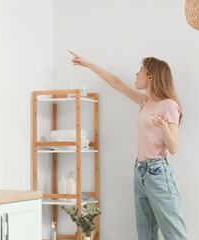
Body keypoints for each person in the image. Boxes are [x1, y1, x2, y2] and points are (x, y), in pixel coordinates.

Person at [69, 50, 188, 240]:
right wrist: (88, 64)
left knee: (174, 235)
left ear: (150, 77)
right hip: (140, 172)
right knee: (145, 234)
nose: (137, 73)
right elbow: (116, 83)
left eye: (141, 70)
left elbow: (173, 148)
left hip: (158, 174)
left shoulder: (169, 105)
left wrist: (164, 128)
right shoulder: (145, 101)